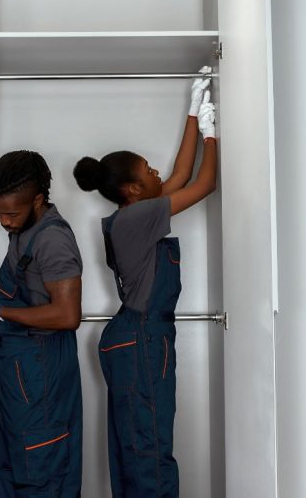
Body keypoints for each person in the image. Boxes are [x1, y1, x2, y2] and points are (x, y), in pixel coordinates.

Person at [72, 69, 218, 497]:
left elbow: (178, 176)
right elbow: (203, 183)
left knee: (133, 453)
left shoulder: (133, 213)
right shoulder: (140, 217)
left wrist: (193, 111)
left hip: (131, 338)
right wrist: (212, 135)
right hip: (140, 339)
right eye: (148, 170)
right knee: (150, 454)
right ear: (134, 189)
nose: (157, 172)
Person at [0, 150, 83, 498]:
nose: (4, 221)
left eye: (11, 213)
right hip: (20, 380)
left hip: (42, 375)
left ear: (38, 200)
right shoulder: (24, 228)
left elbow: (67, 314)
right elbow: (28, 282)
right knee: (15, 469)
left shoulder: (53, 239)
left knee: (42, 472)